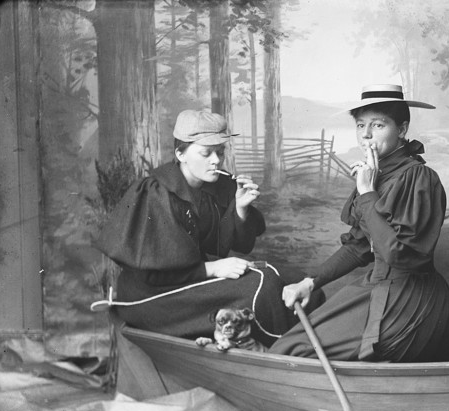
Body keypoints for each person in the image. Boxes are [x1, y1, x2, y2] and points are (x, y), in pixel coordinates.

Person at [269, 84, 449, 362]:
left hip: (410, 301)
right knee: (289, 345)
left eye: (378, 125)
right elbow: (359, 247)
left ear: (401, 130)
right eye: (360, 125)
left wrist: (367, 193)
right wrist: (310, 282)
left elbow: (397, 254)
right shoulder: (374, 175)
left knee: (299, 351)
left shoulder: (419, 178)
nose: (365, 134)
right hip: (378, 287)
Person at [95, 109, 323, 345]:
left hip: (189, 281)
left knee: (295, 280)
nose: (216, 160)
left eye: (220, 152)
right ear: (180, 154)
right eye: (206, 153)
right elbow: (154, 273)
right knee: (263, 284)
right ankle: (286, 352)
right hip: (152, 297)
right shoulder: (156, 193)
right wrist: (212, 269)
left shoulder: (215, 186)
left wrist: (240, 210)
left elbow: (236, 244)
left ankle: (314, 347)